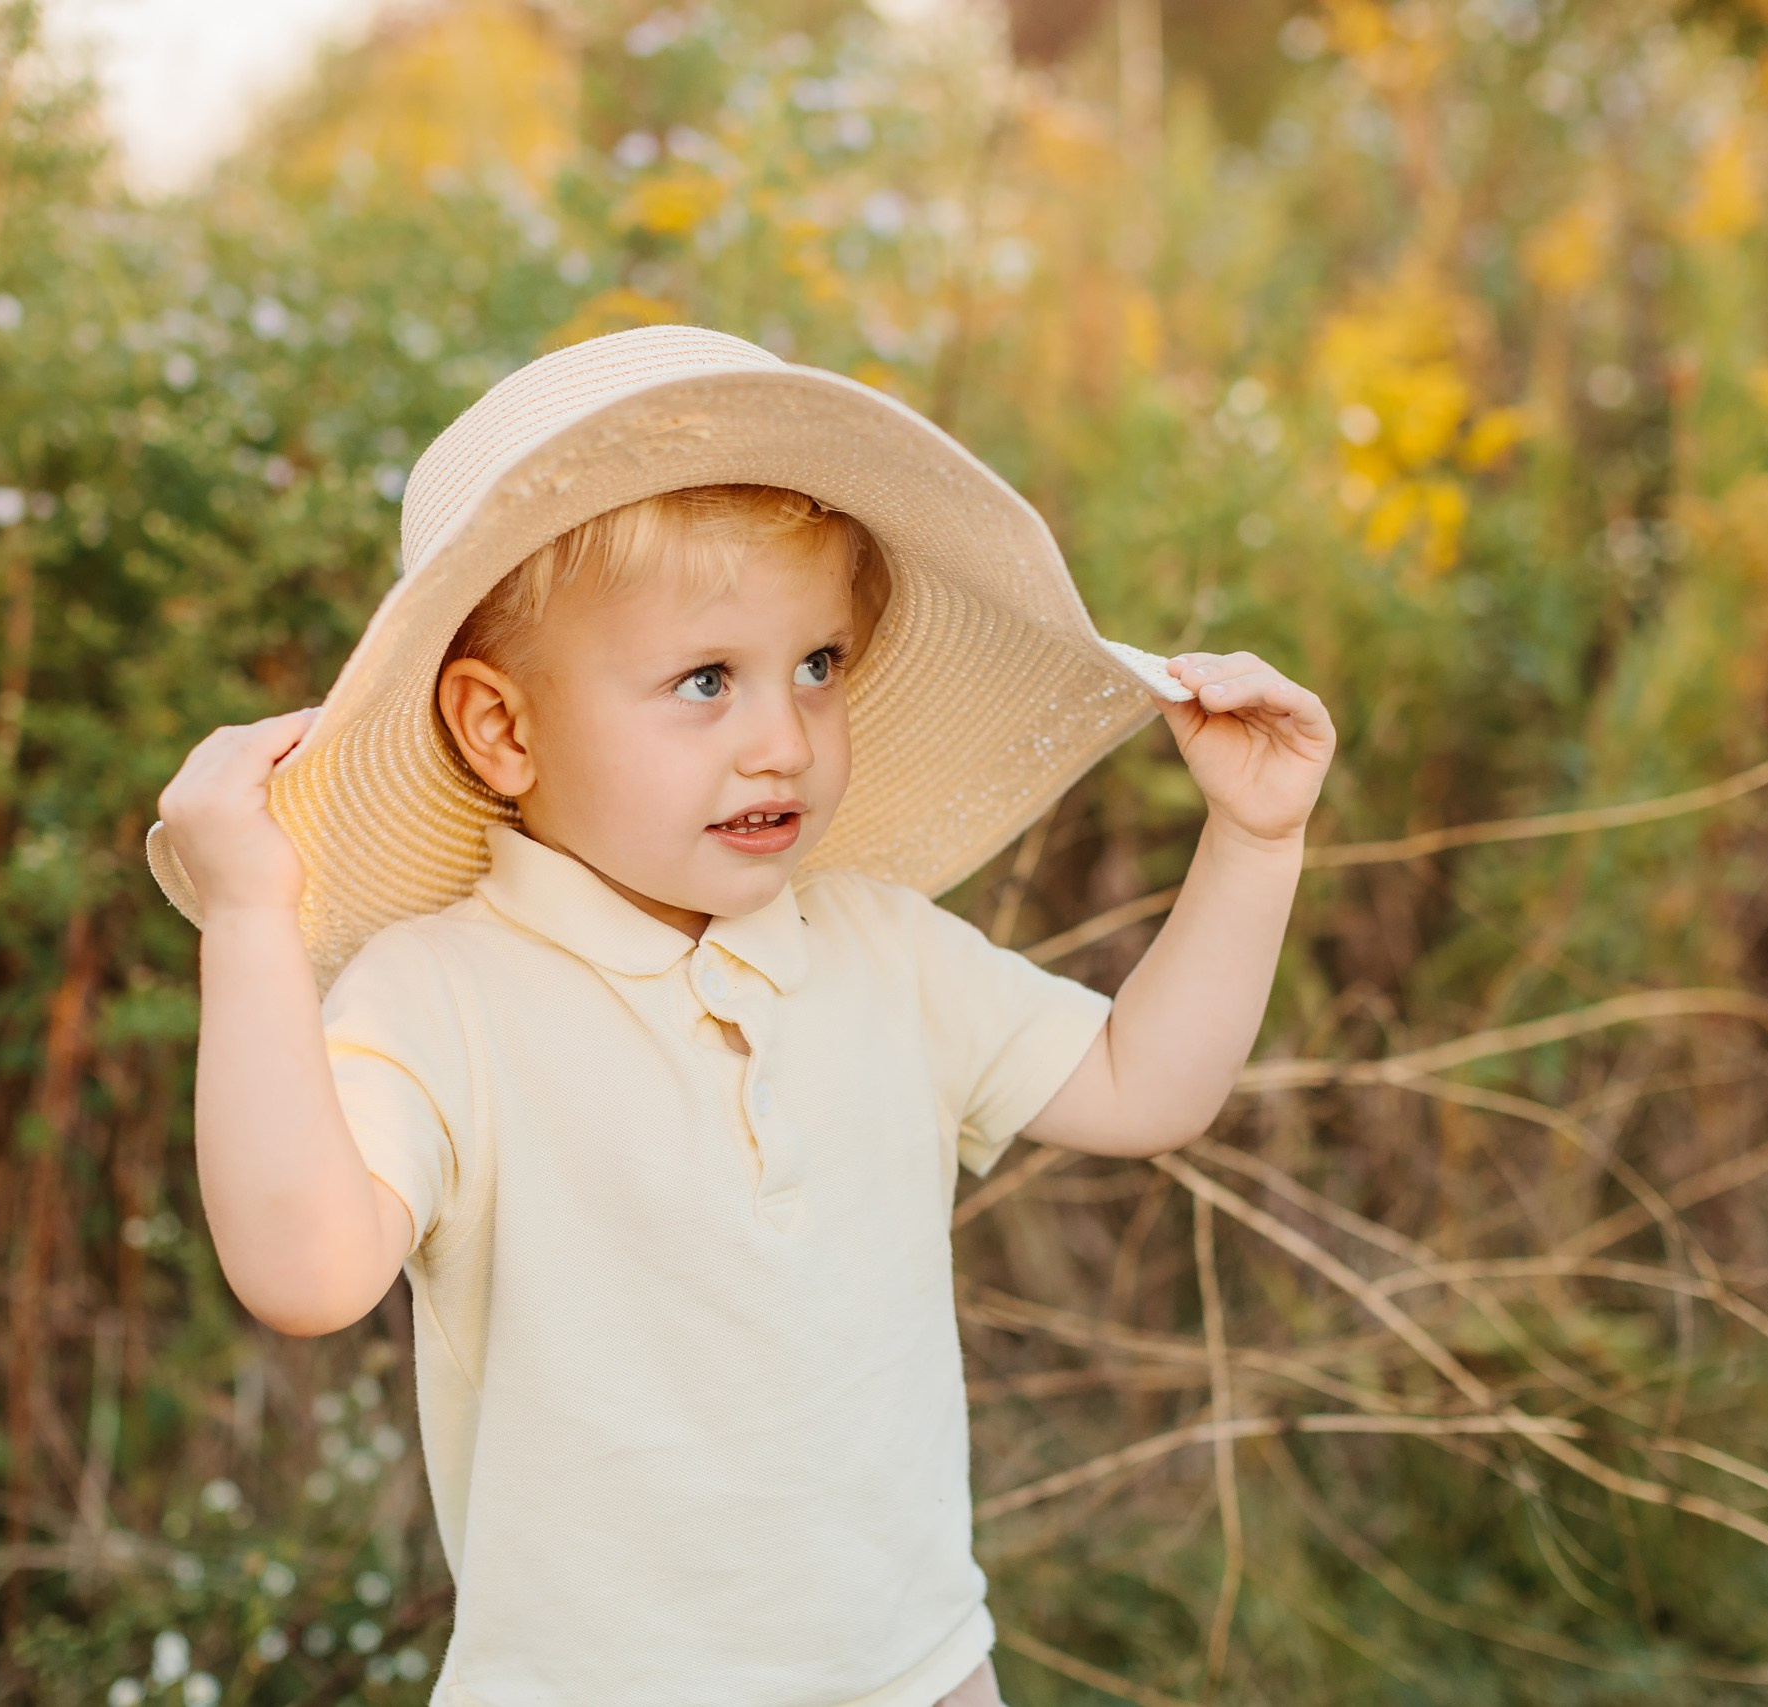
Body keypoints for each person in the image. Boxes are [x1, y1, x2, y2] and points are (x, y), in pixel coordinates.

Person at [149, 326, 1334, 1706]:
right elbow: (305, 1272)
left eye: (818, 664)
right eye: (706, 681)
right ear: (502, 730)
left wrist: (1256, 846)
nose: (785, 737)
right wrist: (249, 926)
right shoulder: (444, 998)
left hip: (921, 1671)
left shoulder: (879, 947)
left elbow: (1145, 1086)